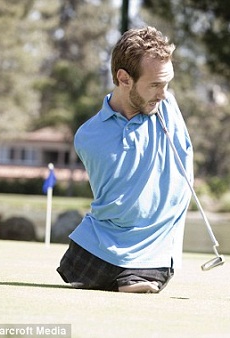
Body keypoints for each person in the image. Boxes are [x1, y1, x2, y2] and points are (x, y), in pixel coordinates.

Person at [57, 26, 193, 293]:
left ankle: (129, 279)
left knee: (144, 277)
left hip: (156, 248)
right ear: (124, 78)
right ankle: (121, 279)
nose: (163, 94)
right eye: (155, 84)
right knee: (72, 268)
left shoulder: (168, 110)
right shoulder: (88, 135)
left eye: (167, 83)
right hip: (103, 240)